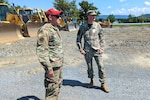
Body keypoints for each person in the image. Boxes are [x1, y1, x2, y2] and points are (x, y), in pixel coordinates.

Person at [76, 10, 110, 93]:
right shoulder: (83, 26)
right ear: (88, 16)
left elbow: (102, 37)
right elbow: (78, 39)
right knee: (89, 67)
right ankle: (91, 81)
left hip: (97, 49)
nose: (94, 17)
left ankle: (103, 84)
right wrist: (80, 49)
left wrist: (102, 48)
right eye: (92, 15)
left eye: (95, 15)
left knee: (101, 66)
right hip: (87, 50)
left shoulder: (97, 25)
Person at [36, 8, 64, 100]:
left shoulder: (54, 29)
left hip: (58, 64)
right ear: (51, 17)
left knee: (57, 87)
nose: (60, 18)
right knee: (51, 92)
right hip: (52, 66)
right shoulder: (45, 30)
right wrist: (48, 69)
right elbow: (41, 51)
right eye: (58, 16)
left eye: (60, 16)